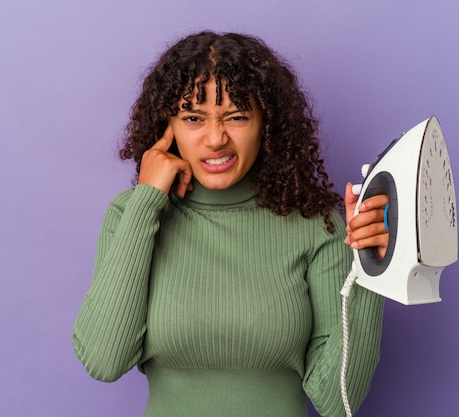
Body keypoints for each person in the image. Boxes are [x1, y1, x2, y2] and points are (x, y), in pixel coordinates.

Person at [73, 31, 389, 417]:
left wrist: (369, 271)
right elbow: (104, 361)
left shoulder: (315, 222)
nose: (215, 139)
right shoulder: (131, 215)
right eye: (193, 118)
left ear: (266, 124)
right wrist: (146, 199)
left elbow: (338, 402)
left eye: (237, 116)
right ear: (166, 126)